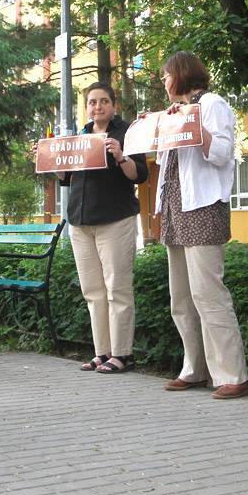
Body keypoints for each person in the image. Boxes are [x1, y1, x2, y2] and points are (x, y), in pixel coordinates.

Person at [156, 52, 248, 399]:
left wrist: (193, 127)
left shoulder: (213, 104)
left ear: (181, 75)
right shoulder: (174, 112)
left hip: (203, 207)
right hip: (175, 209)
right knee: (180, 296)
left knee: (208, 293)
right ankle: (193, 368)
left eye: (166, 76)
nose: (164, 83)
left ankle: (232, 374)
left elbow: (223, 153)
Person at [53, 82, 149, 374]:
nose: (98, 107)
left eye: (103, 101)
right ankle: (102, 352)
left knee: (117, 287)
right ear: (87, 107)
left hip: (115, 219)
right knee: (93, 290)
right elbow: (65, 178)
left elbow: (139, 175)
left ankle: (122, 354)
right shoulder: (80, 137)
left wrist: (120, 155)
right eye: (92, 102)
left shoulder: (127, 133)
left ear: (113, 105)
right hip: (81, 222)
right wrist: (50, 159)